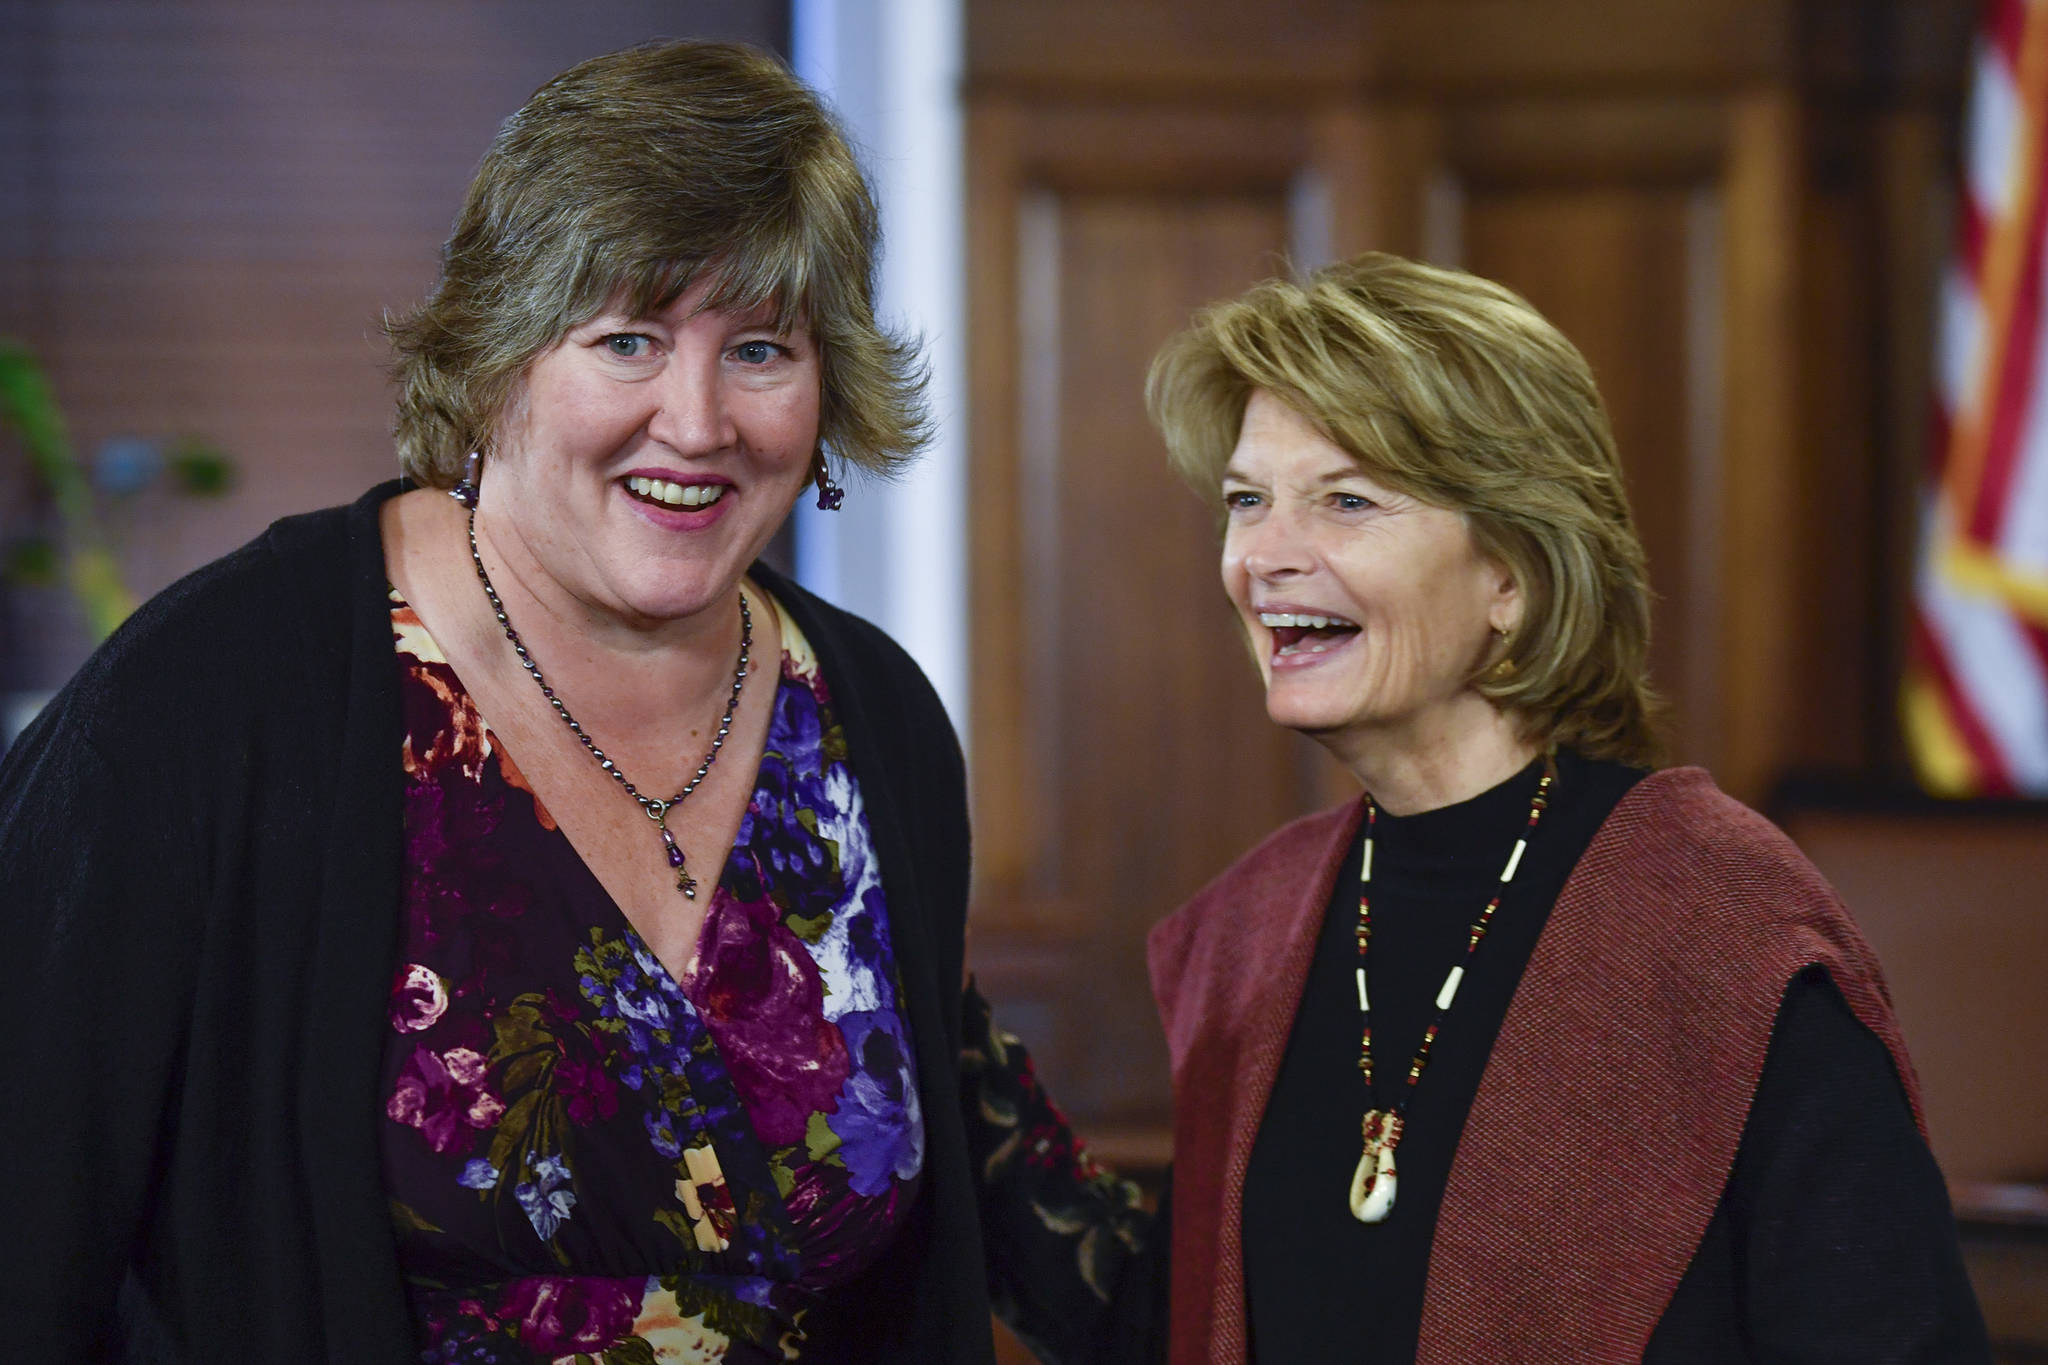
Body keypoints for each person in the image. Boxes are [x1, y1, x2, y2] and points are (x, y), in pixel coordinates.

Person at [0, 42, 999, 1363]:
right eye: (628, 339)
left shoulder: (877, 717)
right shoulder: (208, 704)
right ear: (497, 359)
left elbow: (974, 1203)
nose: (696, 423)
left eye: (760, 348)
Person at [962, 253, 1991, 1363]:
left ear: (1512, 570)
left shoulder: (1719, 919)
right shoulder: (1249, 932)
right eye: (1246, 501)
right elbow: (1171, 1333)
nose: (1262, 555)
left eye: (1345, 501)